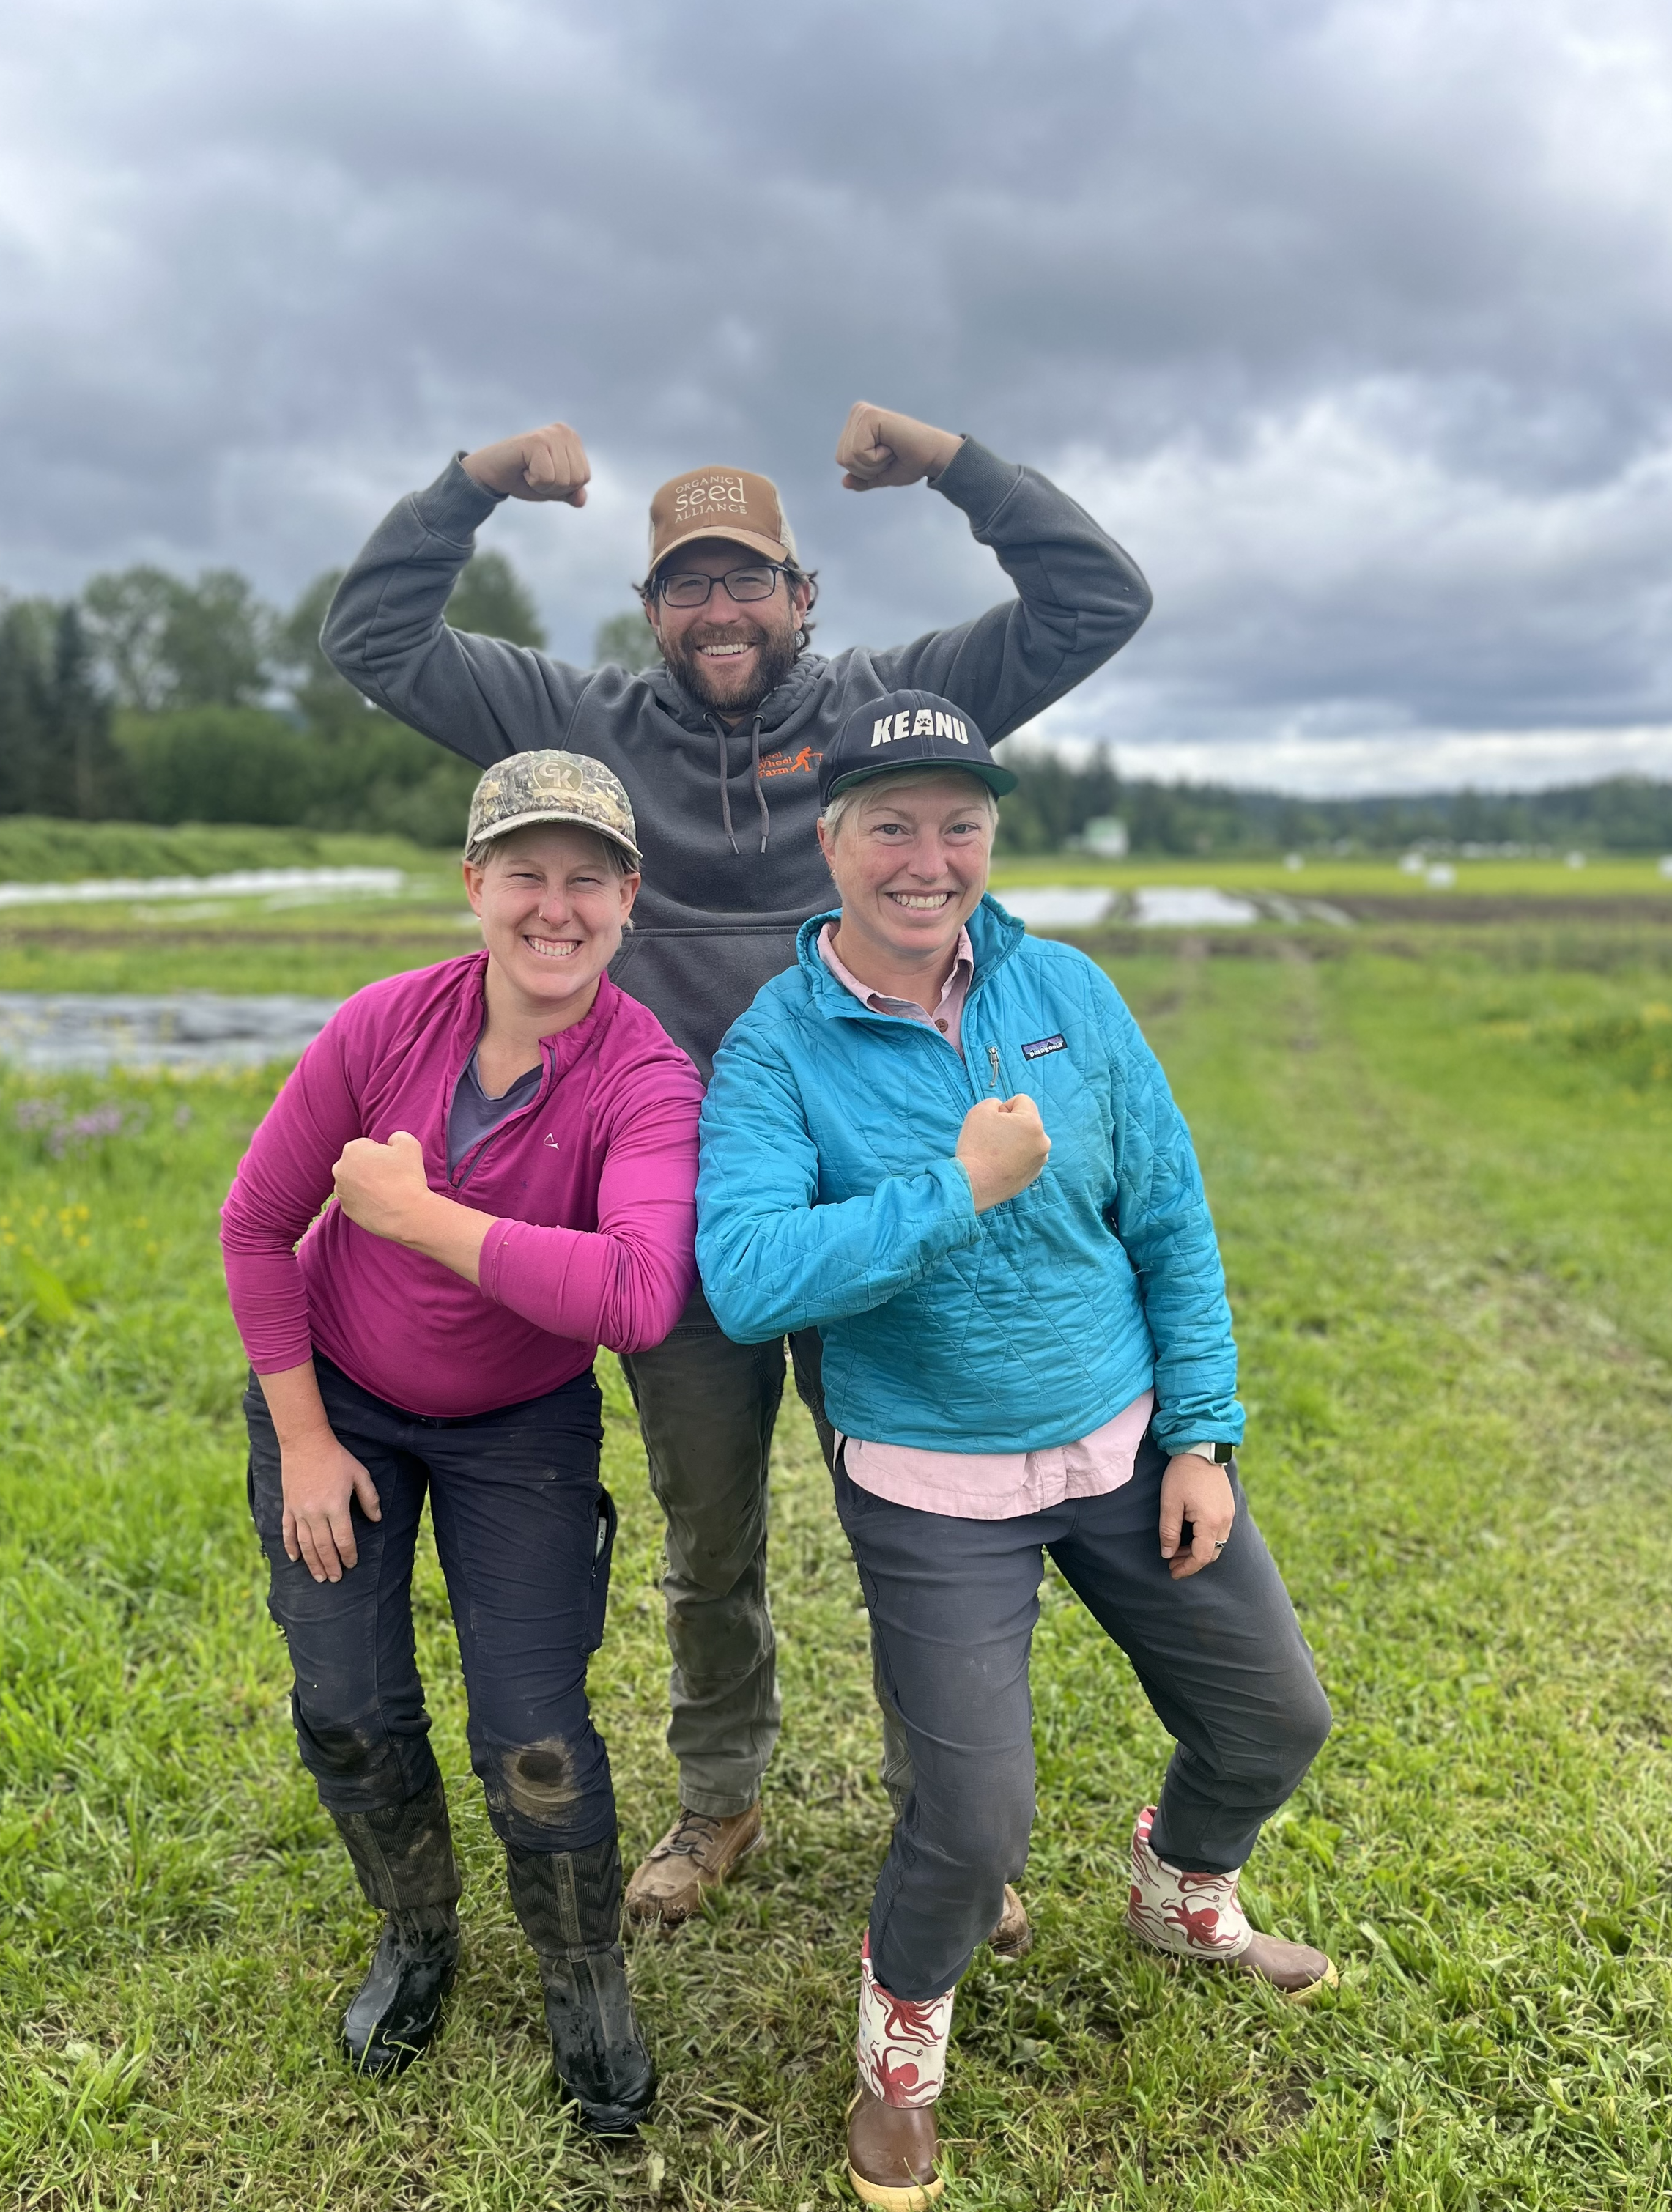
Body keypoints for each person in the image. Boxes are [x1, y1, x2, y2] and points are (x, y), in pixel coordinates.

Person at [321, 404, 1153, 1929]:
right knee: (708, 1543)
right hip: (676, 1218)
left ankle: (950, 1826)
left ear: (802, 593)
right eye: (687, 586)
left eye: (747, 579)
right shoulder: (578, 725)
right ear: (650, 613)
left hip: (883, 1207)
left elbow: (1097, 603)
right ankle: (720, 1802)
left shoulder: (889, 701)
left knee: (920, 1525)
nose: (720, 611)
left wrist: (955, 464)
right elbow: (375, 639)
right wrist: (477, 482)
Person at [693, 695, 1336, 2208]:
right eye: (892, 825)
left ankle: (1181, 1893)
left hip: (1121, 1449)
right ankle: (898, 2046)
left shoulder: (1069, 994)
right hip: (930, 1486)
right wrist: (953, 1188)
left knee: (1272, 1723)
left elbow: (1168, 1220)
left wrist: (1200, 1437)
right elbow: (747, 1276)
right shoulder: (775, 1044)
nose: (929, 858)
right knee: (973, 1825)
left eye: (959, 824)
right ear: (830, 838)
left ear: (990, 835)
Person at [219, 752, 702, 2135]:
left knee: (535, 1734)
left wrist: (418, 1215)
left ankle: (582, 1972)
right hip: (343, 1398)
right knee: (347, 1708)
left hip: (520, 1425)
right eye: (527, 874)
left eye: (589, 879)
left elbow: (636, 1291)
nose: (556, 908)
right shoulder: (383, 1025)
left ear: (628, 898)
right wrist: (305, 1438)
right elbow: (258, 1225)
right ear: (475, 883)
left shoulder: (646, 1076)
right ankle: (417, 1935)